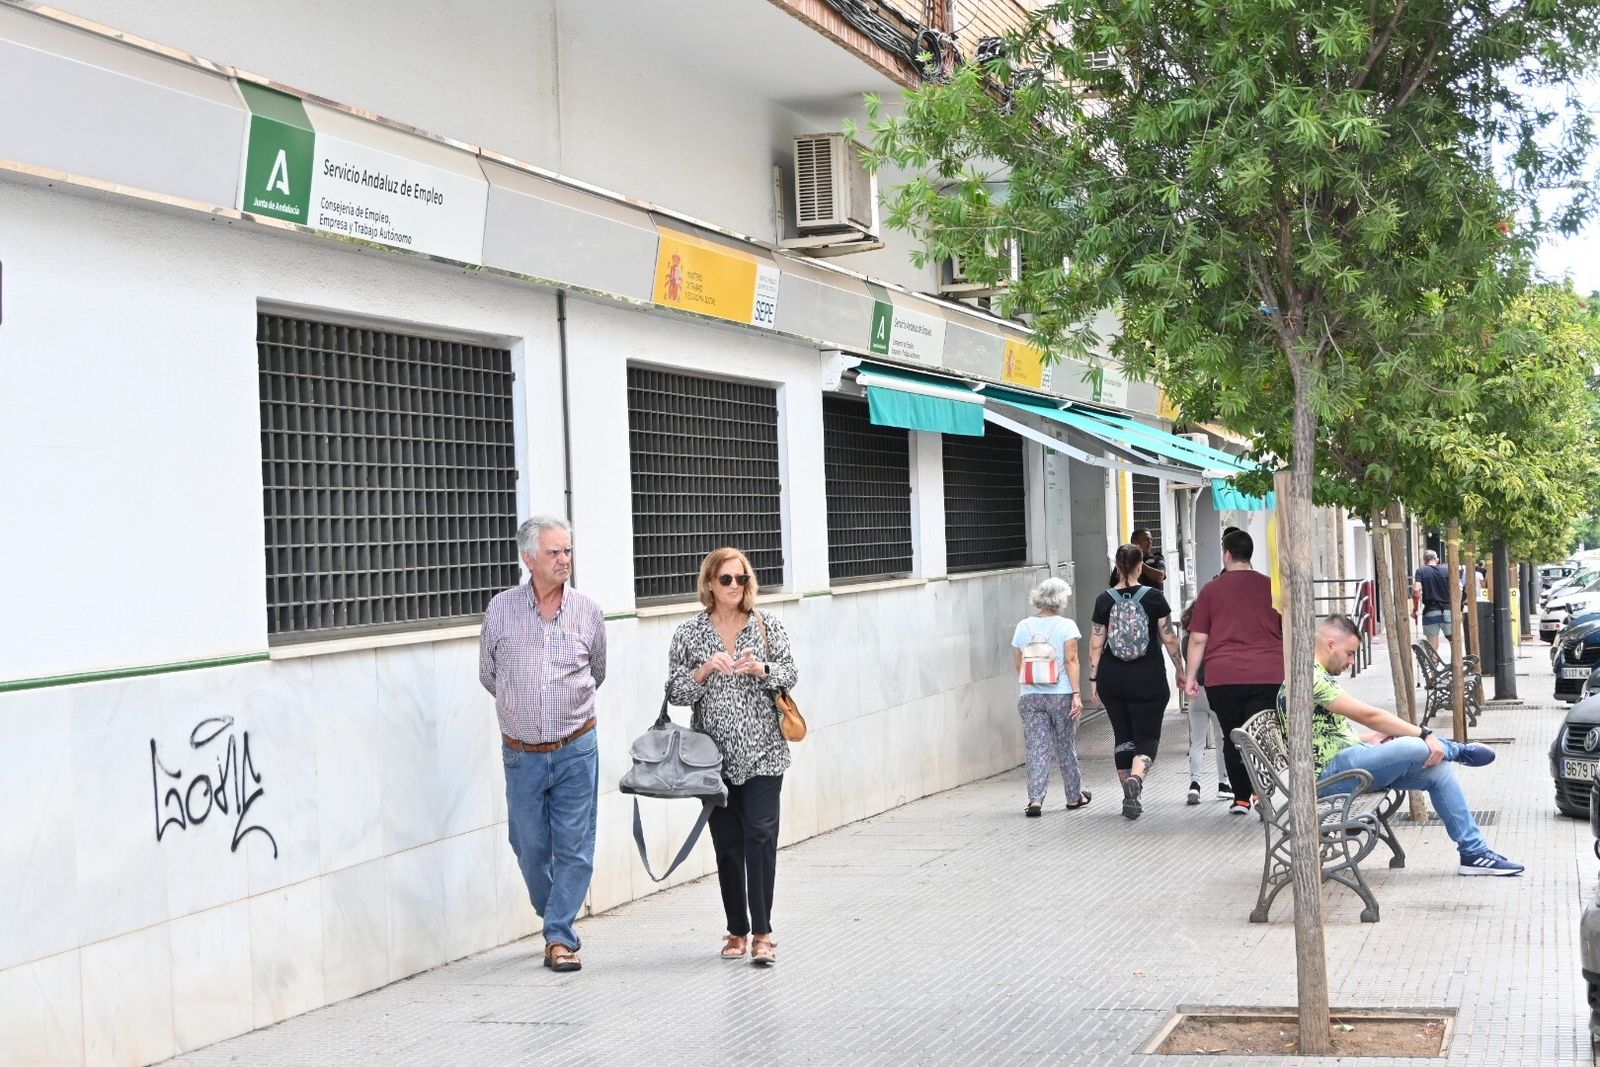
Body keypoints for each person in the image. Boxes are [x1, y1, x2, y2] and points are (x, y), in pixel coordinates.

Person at [1283, 614, 1520, 876]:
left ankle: (1474, 853)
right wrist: (1425, 734)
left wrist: (1368, 739)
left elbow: (1320, 734)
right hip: (1327, 778)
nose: (1351, 662)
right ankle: (1456, 749)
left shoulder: (1312, 674)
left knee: (1438, 772)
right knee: (1415, 746)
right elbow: (1369, 715)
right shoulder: (1309, 678)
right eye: (1350, 654)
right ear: (1330, 645)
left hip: (1348, 762)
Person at [479, 516, 608, 974]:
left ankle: (559, 935)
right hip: (521, 753)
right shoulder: (500, 610)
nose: (564, 560)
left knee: (575, 845)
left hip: (576, 745)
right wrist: (525, 708)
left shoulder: (588, 611)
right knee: (528, 845)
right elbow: (489, 675)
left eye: (568, 551)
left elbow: (597, 672)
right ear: (529, 558)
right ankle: (555, 910)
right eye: (554, 552)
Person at [667, 547, 799, 967]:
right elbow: (676, 692)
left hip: (764, 753)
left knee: (760, 837)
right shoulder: (689, 634)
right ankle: (736, 929)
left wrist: (762, 669)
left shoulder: (765, 626)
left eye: (741, 579)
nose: (735, 586)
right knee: (727, 845)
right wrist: (704, 670)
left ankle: (763, 932)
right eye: (726, 579)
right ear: (710, 583)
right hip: (713, 760)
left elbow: (790, 672)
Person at [1184, 528, 1284, 816]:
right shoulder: (1271, 587)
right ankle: (1261, 792)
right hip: (1268, 675)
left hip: (1223, 677)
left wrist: (1191, 678)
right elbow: (1286, 631)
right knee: (1262, 736)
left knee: (1233, 736)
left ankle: (1240, 798)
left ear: (1226, 554)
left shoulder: (1211, 590)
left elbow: (1198, 638)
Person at [1090, 543, 1186, 820]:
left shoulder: (1104, 599)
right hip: (1148, 679)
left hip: (1113, 678)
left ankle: (1128, 796)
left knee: (1122, 736)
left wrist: (1093, 679)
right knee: (1147, 737)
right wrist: (1180, 670)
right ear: (1141, 565)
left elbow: (1096, 644)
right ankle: (1137, 778)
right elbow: (1169, 638)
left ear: (1117, 566)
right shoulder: (1154, 598)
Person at [1010, 577, 1090, 817]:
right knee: (1065, 744)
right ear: (1060, 599)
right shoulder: (1067, 626)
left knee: (1036, 746)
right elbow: (1071, 660)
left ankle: (1035, 800)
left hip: (1030, 695)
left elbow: (1018, 661)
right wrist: (1077, 694)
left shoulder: (1023, 626)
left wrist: (1033, 684)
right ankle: (1074, 796)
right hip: (1061, 693)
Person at [1179, 602, 1230, 805]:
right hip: (1216, 692)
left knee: (1197, 742)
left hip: (1195, 694)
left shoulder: (1186, 641)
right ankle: (1224, 784)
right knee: (1221, 740)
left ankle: (1194, 785)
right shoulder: (1215, 640)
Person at [1412, 549, 1454, 653]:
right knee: (1453, 642)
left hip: (1430, 611)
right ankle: (1457, 667)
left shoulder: (1421, 571)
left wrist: (1415, 609)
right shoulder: (1447, 570)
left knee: (1432, 646)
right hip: (1447, 611)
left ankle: (1432, 669)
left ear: (1424, 560)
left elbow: (1416, 590)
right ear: (1437, 560)